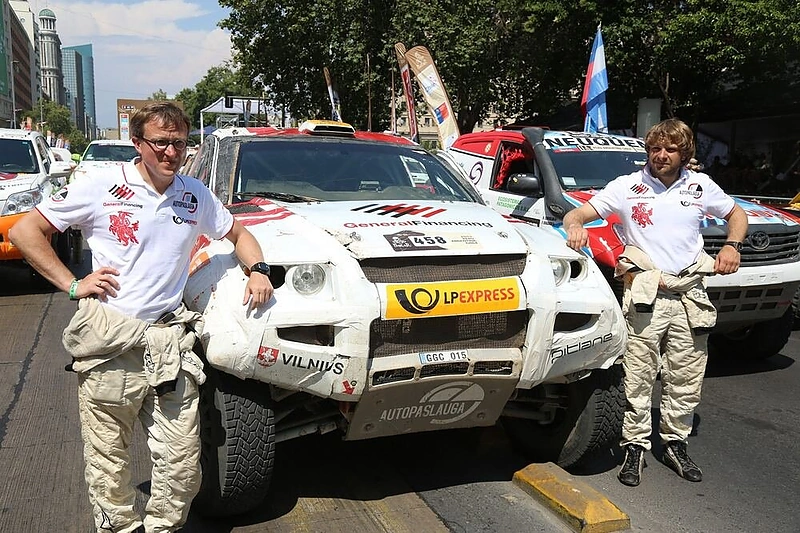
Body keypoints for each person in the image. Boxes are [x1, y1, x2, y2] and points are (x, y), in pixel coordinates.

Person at [9, 101, 273, 532]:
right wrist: (73, 284)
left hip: (167, 340)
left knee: (183, 467)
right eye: (162, 143)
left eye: (180, 144)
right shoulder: (101, 186)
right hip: (111, 340)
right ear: (137, 143)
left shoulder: (193, 194)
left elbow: (239, 233)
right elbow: (25, 231)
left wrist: (258, 269)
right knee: (108, 466)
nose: (172, 153)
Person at [563, 118, 747, 487]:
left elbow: (735, 214)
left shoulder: (699, 186)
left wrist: (733, 244)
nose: (661, 156)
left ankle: (675, 444)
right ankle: (634, 448)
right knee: (638, 375)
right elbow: (579, 212)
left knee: (686, 374)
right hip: (646, 295)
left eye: (670, 149)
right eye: (655, 148)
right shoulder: (627, 187)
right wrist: (575, 226)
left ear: (684, 153)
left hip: (690, 295)